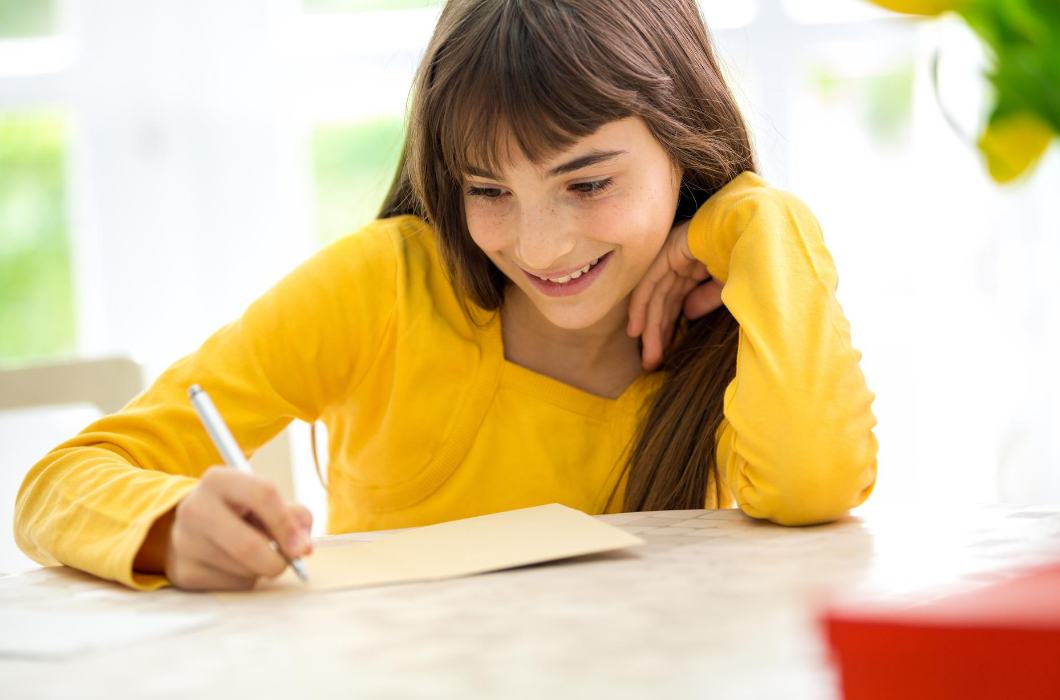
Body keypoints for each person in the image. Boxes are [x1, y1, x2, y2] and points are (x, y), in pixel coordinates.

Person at [14, 0, 878, 592]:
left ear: (685, 145)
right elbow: (59, 484)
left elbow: (812, 484)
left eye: (587, 185)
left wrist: (758, 218)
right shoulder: (380, 287)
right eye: (487, 190)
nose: (540, 246)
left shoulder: (739, 302)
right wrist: (171, 524)